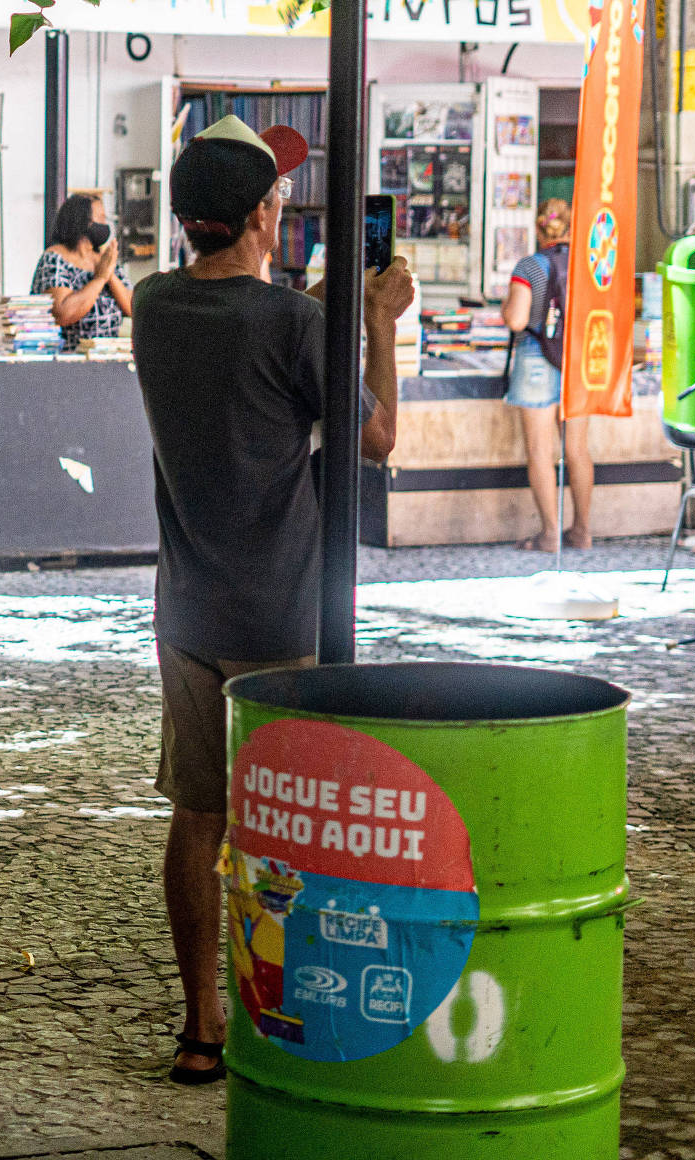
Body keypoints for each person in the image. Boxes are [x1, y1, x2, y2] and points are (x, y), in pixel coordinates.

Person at [130, 114, 413, 1086]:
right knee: (285, 826)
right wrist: (372, 322)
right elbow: (374, 441)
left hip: (187, 612)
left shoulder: (155, 306)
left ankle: (201, 1025)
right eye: (279, 198)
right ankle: (282, 1009)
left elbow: (247, 337)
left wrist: (324, 312)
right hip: (284, 617)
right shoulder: (295, 323)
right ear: (260, 215)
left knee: (198, 814)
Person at [502, 197, 593, 552]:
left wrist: (504, 306)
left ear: (539, 228)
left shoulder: (529, 266)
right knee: (577, 450)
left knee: (541, 452)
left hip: (535, 357)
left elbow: (517, 320)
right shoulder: (588, 264)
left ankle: (550, 534)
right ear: (572, 227)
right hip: (578, 361)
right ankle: (582, 531)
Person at [31, 190, 132, 349]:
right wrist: (99, 279)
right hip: (68, 362)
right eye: (100, 219)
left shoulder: (104, 258)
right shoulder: (54, 260)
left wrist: (109, 274)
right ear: (82, 222)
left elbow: (133, 308)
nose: (105, 225)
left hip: (108, 360)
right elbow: (63, 314)